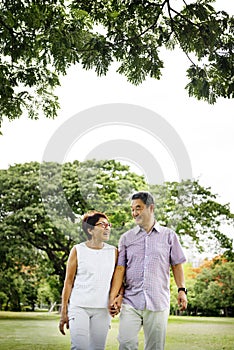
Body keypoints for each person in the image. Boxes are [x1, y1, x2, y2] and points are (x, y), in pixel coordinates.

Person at [109, 191, 188, 350]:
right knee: (125, 343)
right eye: (132, 209)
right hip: (131, 300)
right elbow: (120, 269)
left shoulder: (169, 236)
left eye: (138, 208)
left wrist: (181, 290)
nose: (134, 213)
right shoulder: (126, 238)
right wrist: (114, 296)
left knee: (155, 347)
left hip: (157, 300)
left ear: (151, 208)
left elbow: (177, 265)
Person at [59, 211, 120, 350]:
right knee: (79, 347)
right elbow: (68, 282)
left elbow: (119, 280)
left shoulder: (114, 252)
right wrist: (64, 312)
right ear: (90, 230)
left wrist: (118, 298)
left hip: (102, 310)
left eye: (108, 225)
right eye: (102, 224)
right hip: (79, 307)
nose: (107, 227)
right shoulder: (77, 250)